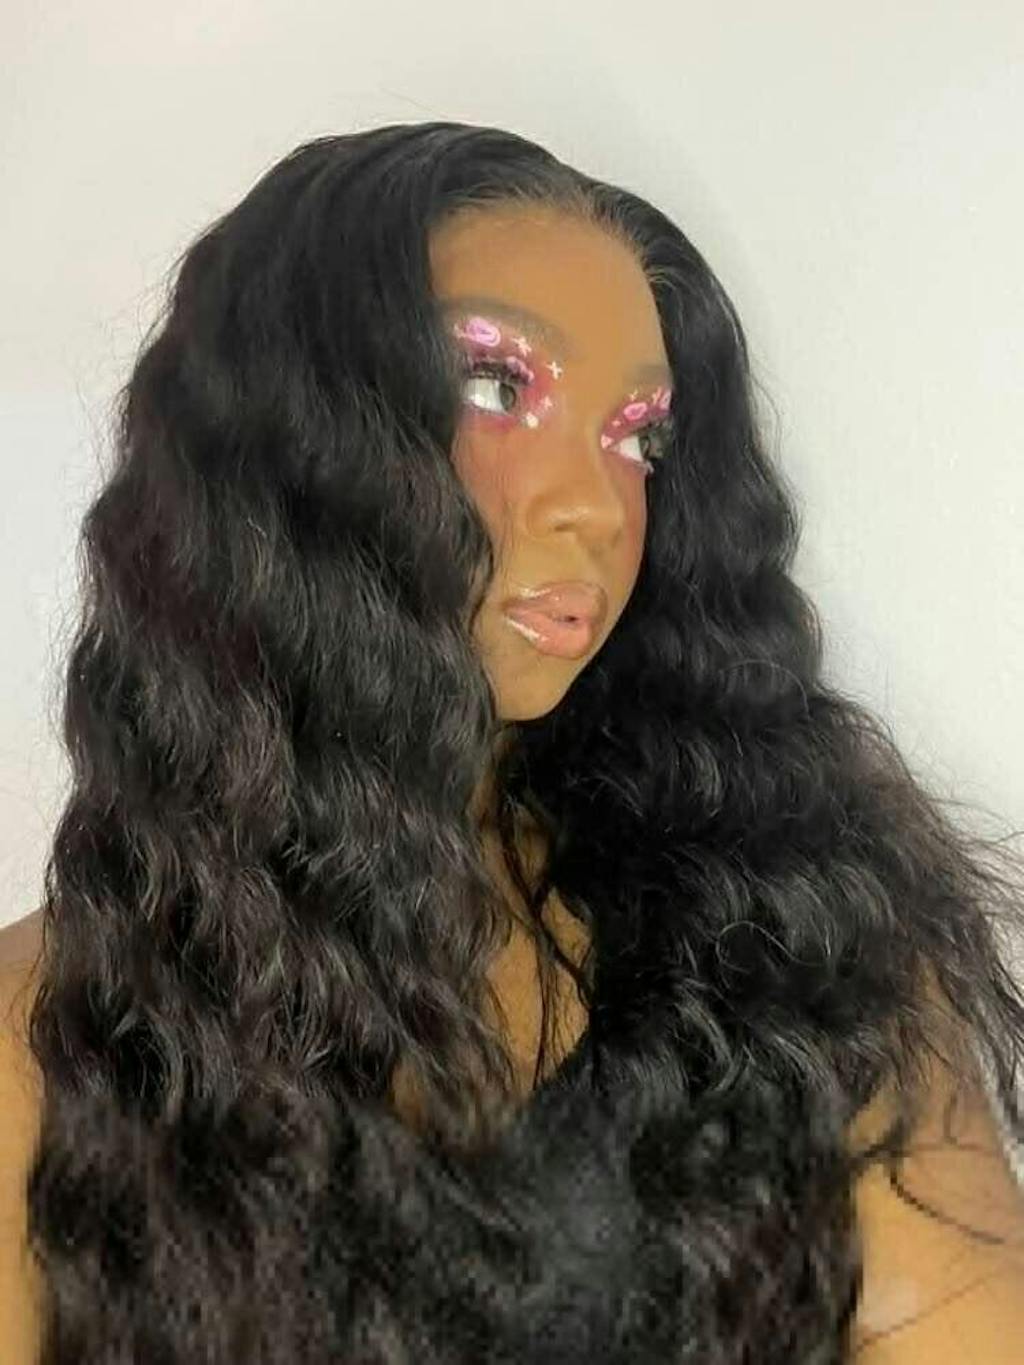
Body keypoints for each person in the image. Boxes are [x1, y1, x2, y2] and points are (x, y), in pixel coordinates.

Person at [2, 121, 1023, 1363]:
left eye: (639, 436)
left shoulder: (790, 929)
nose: (597, 504)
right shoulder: (45, 1040)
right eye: (498, 387)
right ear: (287, 438)